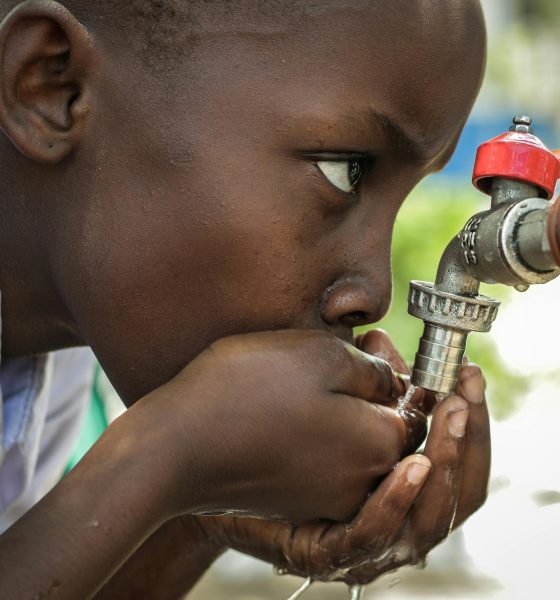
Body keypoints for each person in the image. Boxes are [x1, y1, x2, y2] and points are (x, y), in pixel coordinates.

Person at [0, 0, 491, 597]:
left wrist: (195, 517)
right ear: (52, 88)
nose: (373, 295)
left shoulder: (50, 362)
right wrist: (164, 456)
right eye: (344, 171)